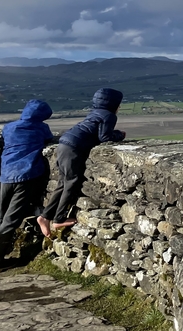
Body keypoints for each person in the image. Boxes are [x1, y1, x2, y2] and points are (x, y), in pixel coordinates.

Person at [39, 88, 126, 232]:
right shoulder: (109, 116)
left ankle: (45, 216)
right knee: (71, 181)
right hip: (74, 147)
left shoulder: (94, 113)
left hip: (64, 143)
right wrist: (119, 135)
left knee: (62, 182)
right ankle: (58, 219)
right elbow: (104, 137)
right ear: (114, 104)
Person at [0, 99, 53, 273]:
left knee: (0, 217)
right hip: (27, 174)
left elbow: (1, 141)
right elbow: (49, 140)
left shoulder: (9, 127)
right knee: (11, 219)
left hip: (6, 175)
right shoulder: (41, 128)